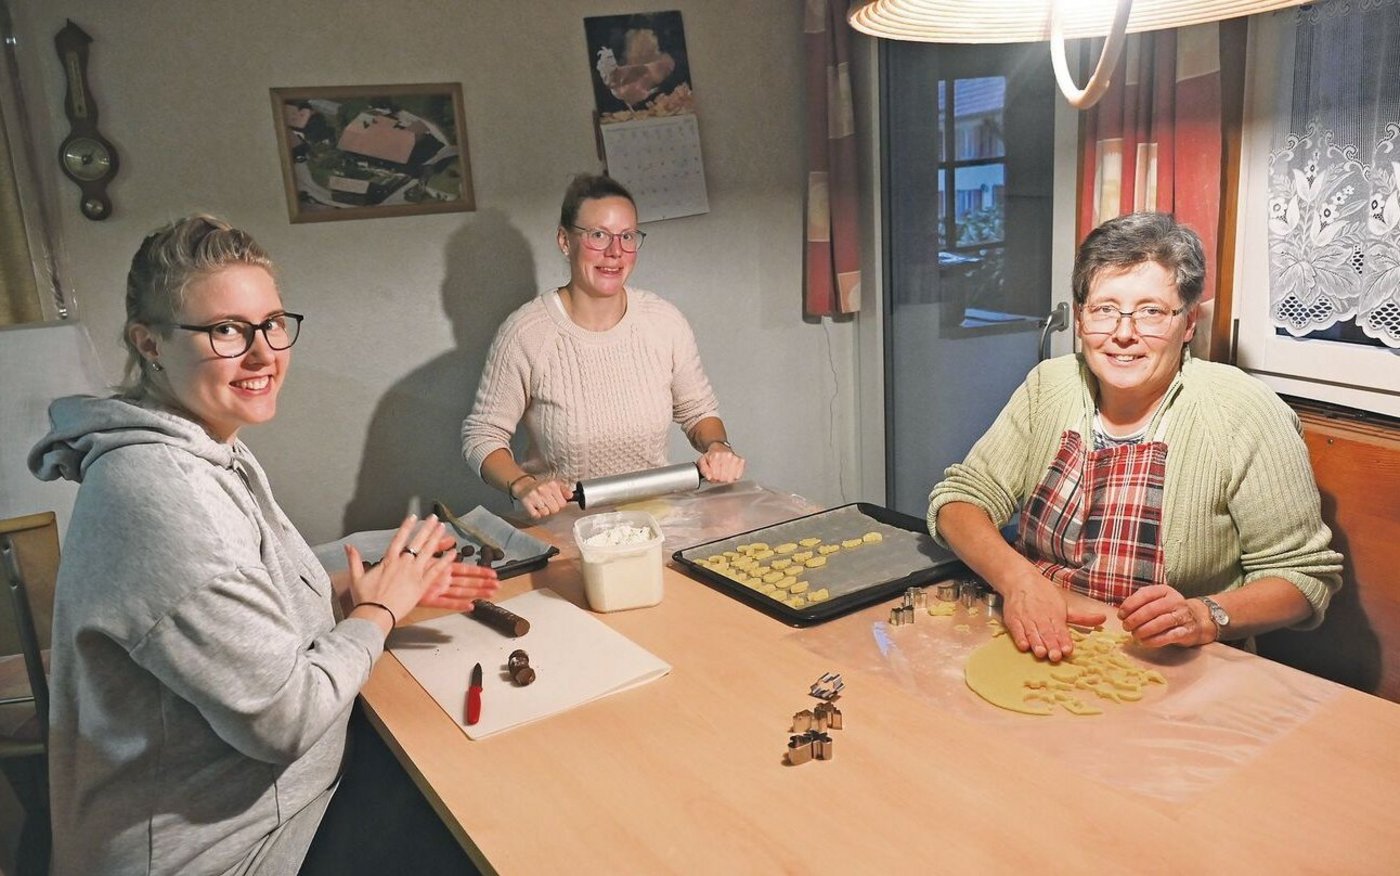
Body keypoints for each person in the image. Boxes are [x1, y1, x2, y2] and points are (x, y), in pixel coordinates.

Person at [28, 215, 499, 874]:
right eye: (226, 330)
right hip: (235, 853)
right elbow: (284, 721)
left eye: (273, 323)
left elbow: (245, 609)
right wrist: (379, 613)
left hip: (293, 802)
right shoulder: (163, 495)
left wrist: (359, 590)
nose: (264, 354)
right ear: (150, 342)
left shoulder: (204, 448)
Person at [927, 212, 1342, 663]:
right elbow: (960, 501)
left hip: (1170, 662)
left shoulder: (1245, 412)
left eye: (1151, 312)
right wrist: (1020, 582)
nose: (1124, 334)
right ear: (1081, 322)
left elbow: (1302, 577)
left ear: (1187, 325)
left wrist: (1205, 615)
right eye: (1105, 309)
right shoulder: (1050, 386)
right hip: (1034, 632)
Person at [461, 173, 744, 519]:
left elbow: (698, 412)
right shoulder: (526, 333)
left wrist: (718, 447)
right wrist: (523, 484)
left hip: (657, 520)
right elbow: (482, 436)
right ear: (565, 241)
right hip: (568, 527)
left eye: (627, 236)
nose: (615, 252)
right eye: (598, 235)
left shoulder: (664, 321)